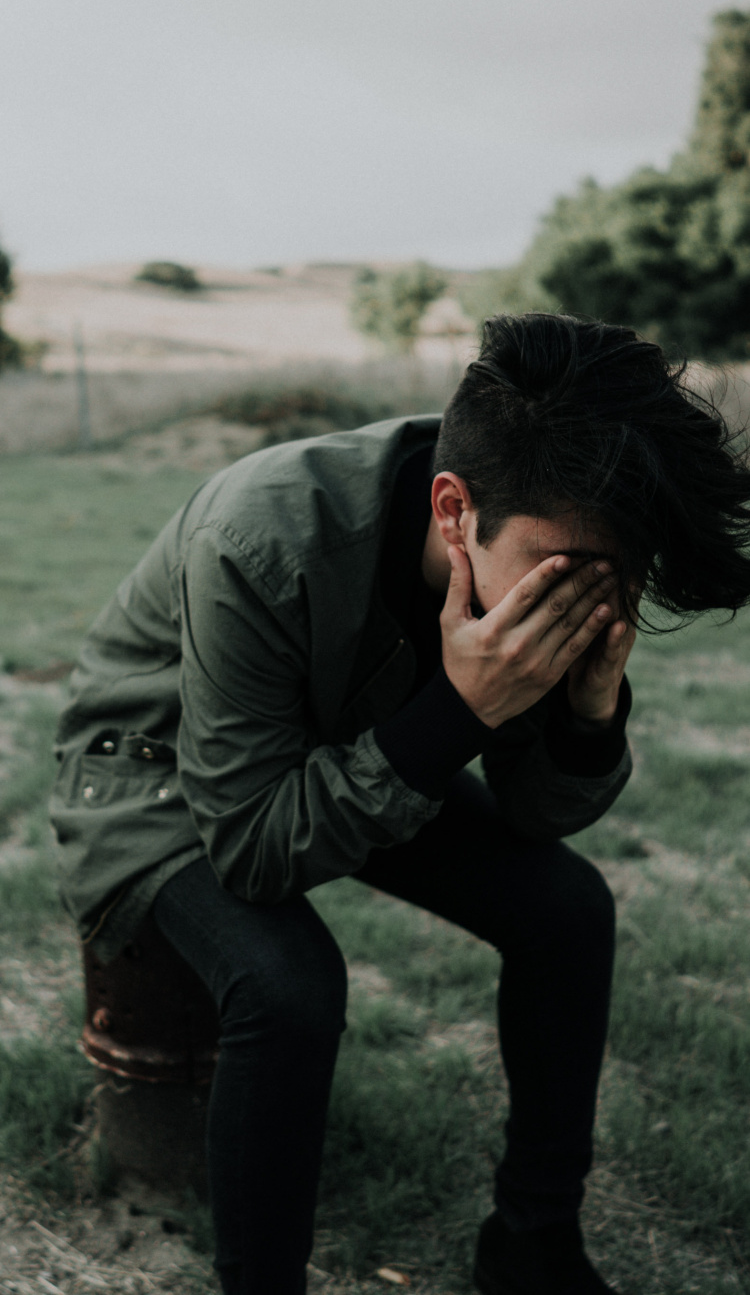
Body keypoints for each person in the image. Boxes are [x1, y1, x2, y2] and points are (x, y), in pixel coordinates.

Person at [50, 313, 750, 1295]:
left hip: (347, 746)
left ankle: (533, 1241)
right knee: (289, 983)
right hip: (160, 774)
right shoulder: (262, 535)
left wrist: (588, 716)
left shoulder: (536, 512)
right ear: (453, 510)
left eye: (616, 579)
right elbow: (252, 846)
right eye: (563, 581)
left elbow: (537, 815)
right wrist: (458, 709)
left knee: (569, 907)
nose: (588, 606)